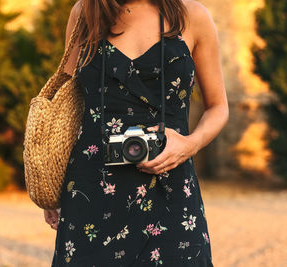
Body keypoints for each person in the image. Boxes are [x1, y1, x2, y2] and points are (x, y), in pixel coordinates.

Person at [45, 0, 228, 266]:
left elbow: (218, 107)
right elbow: (67, 106)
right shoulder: (86, 12)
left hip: (171, 186)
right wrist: (52, 182)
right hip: (90, 190)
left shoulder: (193, 16)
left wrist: (190, 145)